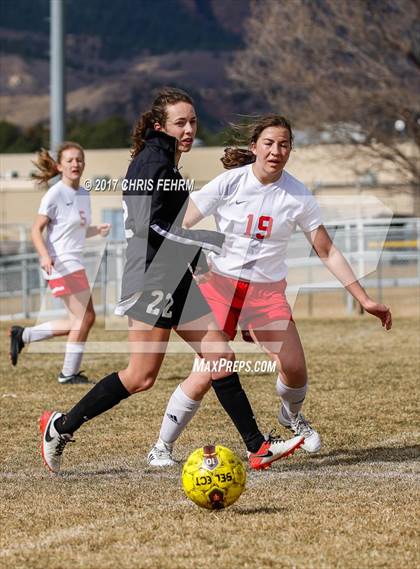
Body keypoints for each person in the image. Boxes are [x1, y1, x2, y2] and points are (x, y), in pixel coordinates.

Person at [39, 90, 304, 474]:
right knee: (140, 376)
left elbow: (171, 225)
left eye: (193, 121)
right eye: (180, 122)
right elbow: (148, 228)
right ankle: (60, 428)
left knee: (220, 355)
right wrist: (204, 243)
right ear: (160, 125)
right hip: (149, 277)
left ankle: (257, 447)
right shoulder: (153, 161)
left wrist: (194, 255)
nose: (189, 129)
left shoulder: (166, 160)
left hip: (173, 271)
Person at [147, 114, 392, 466]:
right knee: (203, 375)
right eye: (269, 143)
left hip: (266, 295)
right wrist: (196, 266)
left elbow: (326, 250)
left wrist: (364, 299)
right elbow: (180, 225)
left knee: (294, 368)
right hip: (220, 289)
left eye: (284, 144)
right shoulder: (228, 183)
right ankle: (161, 447)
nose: (276, 151)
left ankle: (291, 417)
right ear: (254, 147)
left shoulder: (298, 195)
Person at [9, 142, 110, 383]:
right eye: (70, 160)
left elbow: (74, 231)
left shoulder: (84, 193)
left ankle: (24, 335)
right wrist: (44, 256)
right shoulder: (55, 194)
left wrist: (97, 230)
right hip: (61, 264)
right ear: (59, 166)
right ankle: (68, 374)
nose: (75, 164)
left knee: (81, 320)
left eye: (79, 160)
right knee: (84, 319)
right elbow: (36, 230)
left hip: (75, 262)